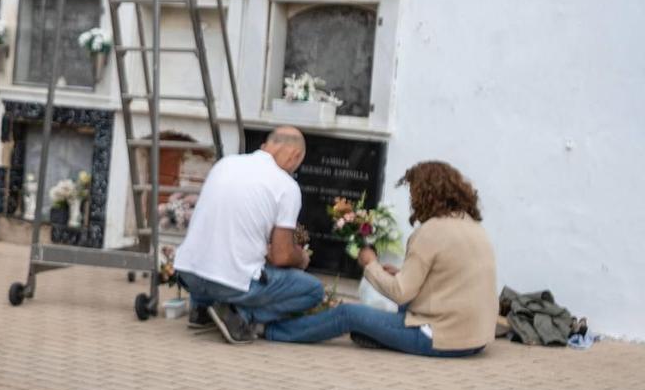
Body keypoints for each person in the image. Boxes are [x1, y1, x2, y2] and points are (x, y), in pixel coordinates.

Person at [265, 161, 496, 356]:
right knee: (386, 307)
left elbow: (400, 293)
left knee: (348, 314)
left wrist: (370, 264)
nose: (413, 200)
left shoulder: (430, 232)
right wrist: (400, 274)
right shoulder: (471, 225)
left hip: (440, 338)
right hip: (476, 339)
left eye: (414, 192)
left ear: (427, 194)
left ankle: (272, 331)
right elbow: (450, 278)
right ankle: (380, 334)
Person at [173, 127, 324, 343]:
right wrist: (301, 258)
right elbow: (281, 256)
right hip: (230, 283)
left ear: (264, 146)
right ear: (296, 156)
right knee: (313, 291)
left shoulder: (225, 164)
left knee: (222, 261)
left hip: (187, 274)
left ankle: (202, 309)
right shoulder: (286, 186)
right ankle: (240, 317)